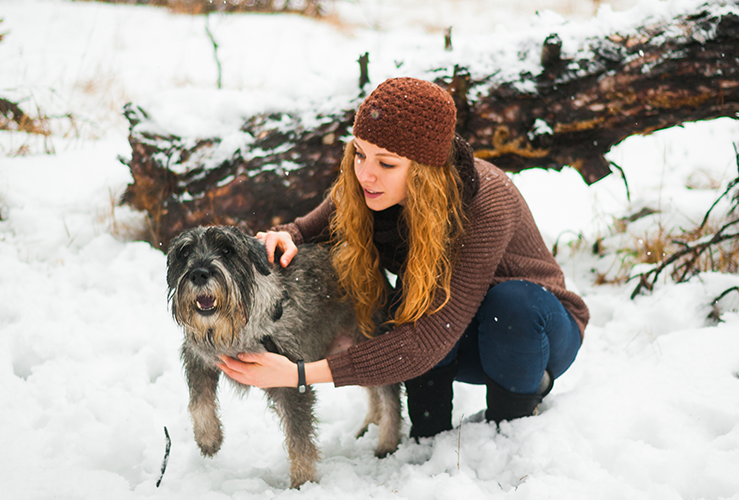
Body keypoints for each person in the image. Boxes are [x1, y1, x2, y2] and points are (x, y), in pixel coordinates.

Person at [216, 77, 589, 439]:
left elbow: (426, 341)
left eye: (386, 164)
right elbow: (311, 225)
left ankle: (513, 426)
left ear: (426, 171)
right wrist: (287, 235)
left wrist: (299, 373)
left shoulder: (486, 201)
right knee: (407, 304)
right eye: (359, 154)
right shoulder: (369, 189)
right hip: (455, 330)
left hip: (533, 330)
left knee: (509, 305)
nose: (366, 174)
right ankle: (429, 439)